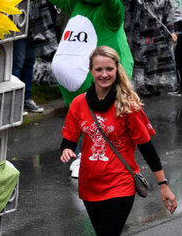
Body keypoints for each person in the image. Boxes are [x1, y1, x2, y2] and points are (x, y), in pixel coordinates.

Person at [60, 46, 177, 236]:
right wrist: (67, 150)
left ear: (117, 70)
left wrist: (163, 185)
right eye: (99, 69)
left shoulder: (127, 106)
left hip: (120, 185)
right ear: (91, 71)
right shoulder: (79, 103)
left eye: (109, 69)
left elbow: (147, 147)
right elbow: (69, 139)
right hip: (89, 185)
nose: (104, 74)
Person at [5, 0, 58, 113]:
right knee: (17, 63)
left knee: (29, 62)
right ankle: (13, 102)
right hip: (20, 19)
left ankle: (27, 98)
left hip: (38, 21)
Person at [124, 0, 178, 97]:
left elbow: (169, 18)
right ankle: (139, 85)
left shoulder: (165, 0)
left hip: (156, 37)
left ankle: (151, 83)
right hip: (140, 36)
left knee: (154, 61)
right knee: (139, 61)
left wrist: (172, 32)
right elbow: (128, 12)